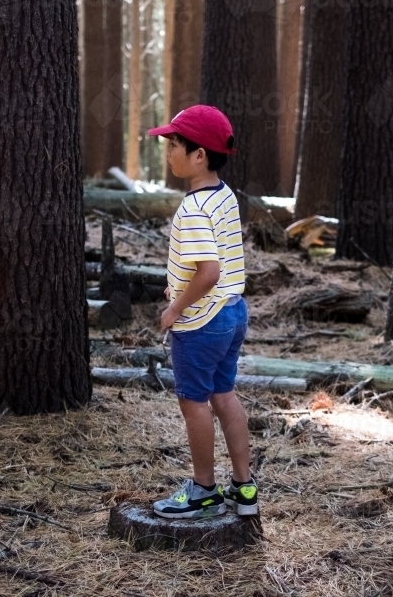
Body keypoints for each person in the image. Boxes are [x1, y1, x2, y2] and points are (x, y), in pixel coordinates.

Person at [147, 105, 258, 520]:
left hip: (202, 322)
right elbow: (214, 264)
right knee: (223, 394)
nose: (168, 151)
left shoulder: (192, 209)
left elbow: (208, 272)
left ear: (199, 156)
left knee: (194, 404)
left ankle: (204, 490)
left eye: (174, 144)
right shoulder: (223, 195)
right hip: (232, 314)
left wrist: (176, 306)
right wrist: (179, 283)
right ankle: (244, 488)